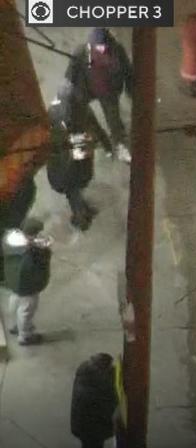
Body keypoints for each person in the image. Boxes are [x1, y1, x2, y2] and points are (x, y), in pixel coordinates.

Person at [46, 81, 110, 230]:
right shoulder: (81, 109)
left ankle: (80, 211)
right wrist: (106, 144)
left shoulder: (54, 111)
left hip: (66, 157)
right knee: (73, 185)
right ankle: (80, 214)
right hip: (69, 156)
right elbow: (96, 128)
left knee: (72, 186)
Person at [65, 28, 133, 163]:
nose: (100, 50)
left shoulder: (117, 52)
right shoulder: (82, 51)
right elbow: (70, 73)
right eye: (96, 47)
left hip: (108, 91)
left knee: (114, 121)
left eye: (102, 46)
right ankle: (83, 144)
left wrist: (130, 90)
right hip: (85, 89)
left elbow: (127, 71)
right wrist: (69, 91)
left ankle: (121, 146)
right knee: (77, 116)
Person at [7, 217, 52, 346]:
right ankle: (25, 336)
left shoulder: (11, 240)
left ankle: (15, 325)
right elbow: (43, 259)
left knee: (15, 301)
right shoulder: (34, 250)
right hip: (28, 285)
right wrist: (37, 246)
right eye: (38, 232)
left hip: (14, 282)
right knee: (26, 310)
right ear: (33, 233)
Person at [71, 353, 118, 448]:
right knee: (93, 444)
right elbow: (110, 397)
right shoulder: (101, 380)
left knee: (89, 445)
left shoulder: (84, 368)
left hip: (80, 423)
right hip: (93, 426)